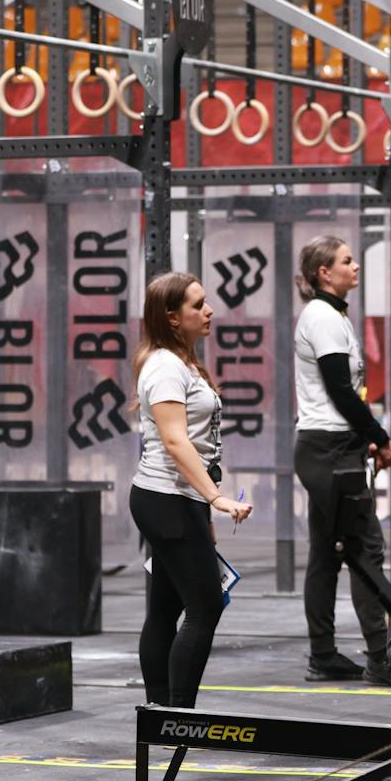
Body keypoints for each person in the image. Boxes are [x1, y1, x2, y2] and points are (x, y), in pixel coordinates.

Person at [129, 272, 253, 710]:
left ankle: (161, 715)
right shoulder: (165, 367)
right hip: (166, 500)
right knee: (205, 607)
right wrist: (216, 498)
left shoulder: (182, 363)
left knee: (165, 609)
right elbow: (175, 441)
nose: (209, 310)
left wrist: (205, 504)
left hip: (180, 499)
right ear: (172, 318)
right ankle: (177, 717)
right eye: (197, 305)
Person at [292, 234, 391, 686]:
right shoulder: (323, 317)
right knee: (365, 550)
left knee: (327, 553)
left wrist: (363, 438)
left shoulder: (331, 315)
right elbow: (340, 391)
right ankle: (379, 659)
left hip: (332, 446)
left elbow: (341, 392)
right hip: (329, 449)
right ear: (324, 272)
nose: (355, 267)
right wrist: (380, 437)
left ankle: (324, 655)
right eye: (347, 260)